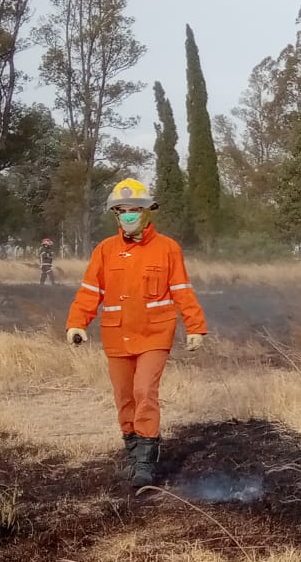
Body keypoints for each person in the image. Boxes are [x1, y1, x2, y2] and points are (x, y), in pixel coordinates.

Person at [65, 178, 208, 488]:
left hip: (155, 334)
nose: (128, 215)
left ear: (147, 212)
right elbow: (90, 291)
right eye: (122, 210)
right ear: (116, 214)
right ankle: (132, 455)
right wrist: (77, 323)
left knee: (144, 391)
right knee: (124, 397)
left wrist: (195, 326)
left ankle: (145, 464)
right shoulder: (105, 250)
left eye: (134, 210)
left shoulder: (168, 249)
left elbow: (182, 290)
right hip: (117, 336)